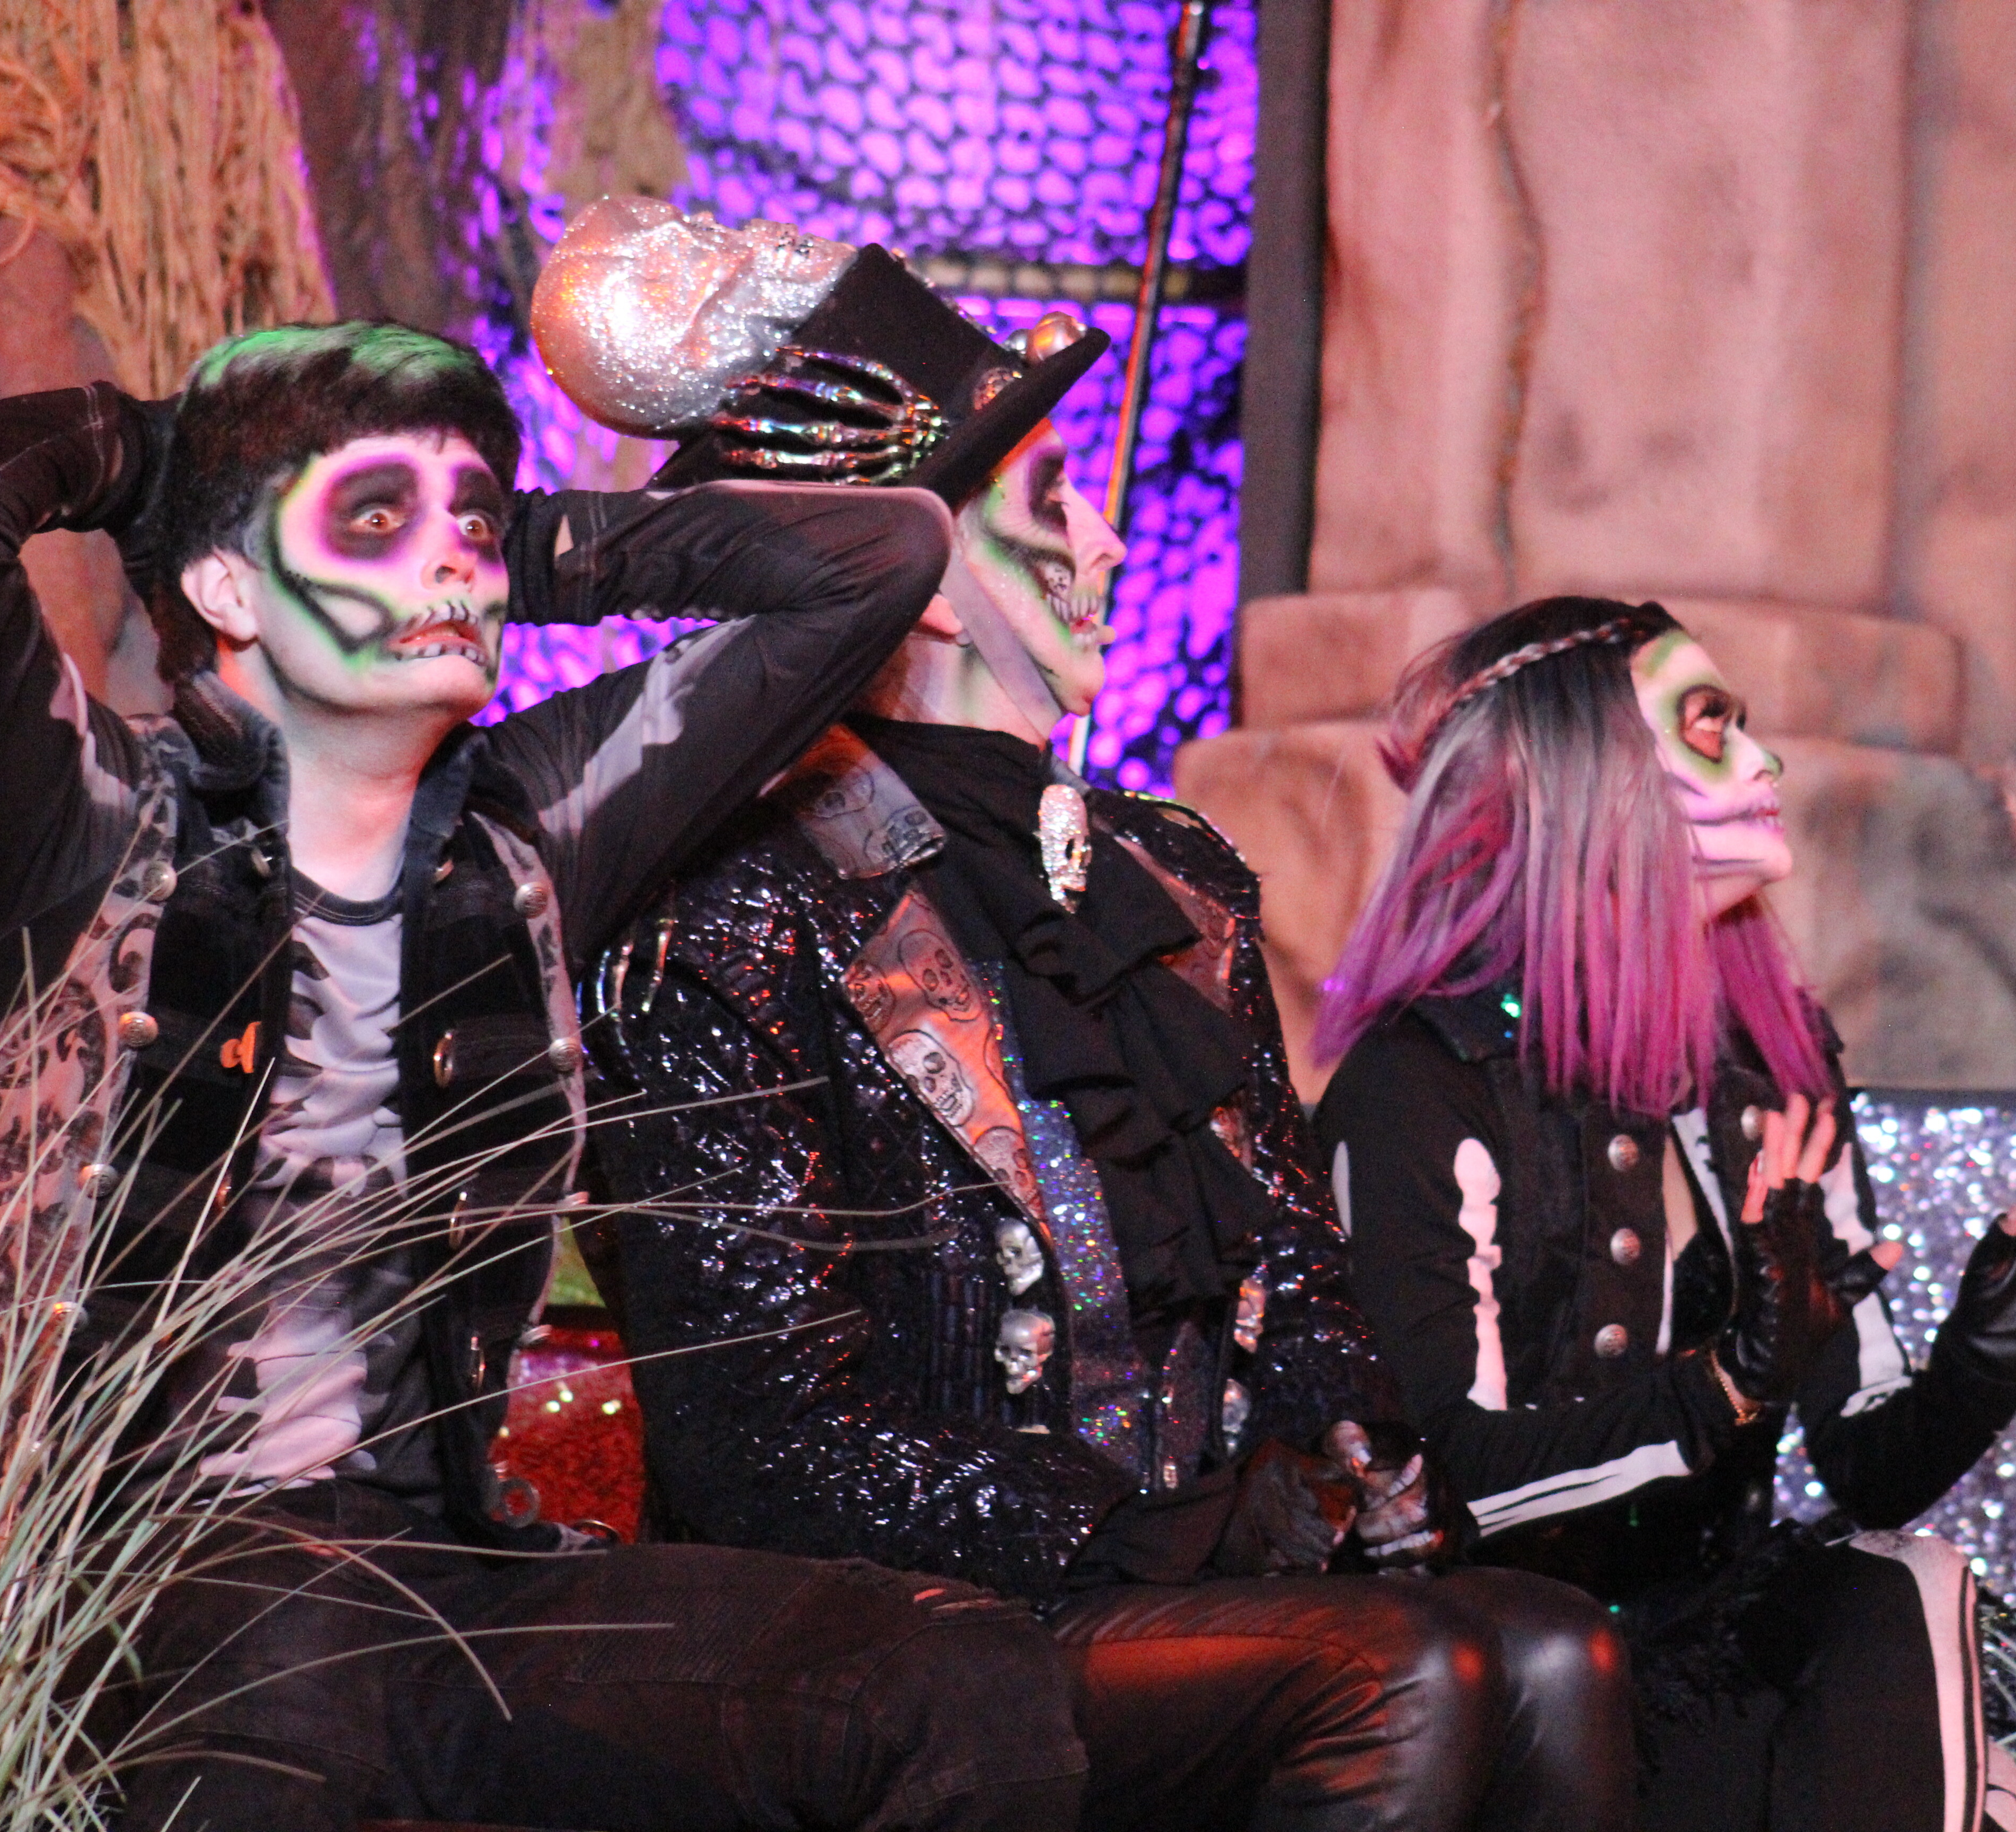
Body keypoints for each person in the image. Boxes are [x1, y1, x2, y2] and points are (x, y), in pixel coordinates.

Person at [0, 319, 1089, 1832]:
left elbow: (882, 552)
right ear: (227, 588)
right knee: (293, 1659)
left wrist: (534, 548)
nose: (451, 558)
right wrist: (167, 461)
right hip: (121, 1585)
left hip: (439, 1579)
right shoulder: (77, 821)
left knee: (950, 1680)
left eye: (476, 524)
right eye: (375, 517)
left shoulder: (531, 838)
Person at [540, 199, 1636, 1832]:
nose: (1113, 542)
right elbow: (762, 1440)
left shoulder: (1169, 878)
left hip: (1177, 1581)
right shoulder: (732, 902)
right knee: (1408, 1674)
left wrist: (1358, 1469)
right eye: (1058, 499)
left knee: (1554, 1649)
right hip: (900, 1625)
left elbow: (1294, 1268)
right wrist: (1147, 1535)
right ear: (919, 576)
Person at [1311, 595, 2016, 1832]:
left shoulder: (1769, 1067)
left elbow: (1869, 1466)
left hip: (1703, 1647)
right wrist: (1729, 1381)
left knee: (1903, 1599)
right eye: (1714, 726)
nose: (1766, 762)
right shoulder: (1423, 1082)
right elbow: (1453, 1480)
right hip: (1504, 1669)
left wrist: (1991, 1351)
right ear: (1589, 774)